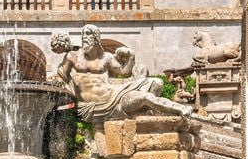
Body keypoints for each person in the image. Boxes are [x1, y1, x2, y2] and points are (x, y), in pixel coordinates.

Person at [53, 25, 185, 122]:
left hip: (114, 94)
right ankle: (178, 109)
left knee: (156, 82)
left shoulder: (106, 57)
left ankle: (155, 111)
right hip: (94, 104)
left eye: (88, 34)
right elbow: (61, 77)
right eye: (83, 35)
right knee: (145, 97)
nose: (84, 38)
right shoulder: (73, 56)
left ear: (96, 39)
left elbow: (124, 72)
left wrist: (130, 56)